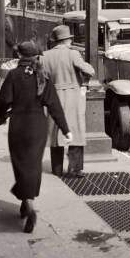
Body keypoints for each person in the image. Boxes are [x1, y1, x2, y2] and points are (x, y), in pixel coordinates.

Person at [0, 41, 72, 234]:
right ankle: (26, 201)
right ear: (35, 57)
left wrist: (1, 117)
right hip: (38, 126)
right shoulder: (42, 76)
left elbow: (3, 100)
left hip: (19, 126)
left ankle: (28, 204)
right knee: (33, 165)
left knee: (20, 165)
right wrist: (65, 129)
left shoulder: (13, 75)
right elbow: (54, 106)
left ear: (19, 56)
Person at [40, 25, 95, 177]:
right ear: (66, 40)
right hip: (73, 97)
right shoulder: (73, 54)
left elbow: (42, 79)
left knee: (55, 134)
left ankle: (57, 169)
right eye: (70, 39)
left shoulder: (44, 56)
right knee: (75, 133)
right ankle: (75, 169)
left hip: (53, 96)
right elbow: (89, 70)